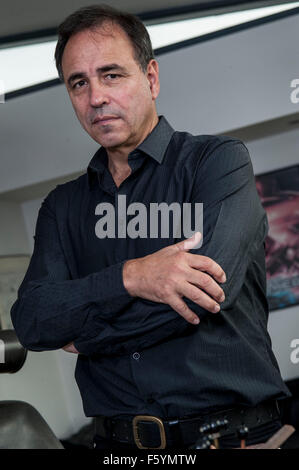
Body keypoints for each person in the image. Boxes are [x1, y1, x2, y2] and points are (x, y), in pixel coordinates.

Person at [11, 4, 291, 449]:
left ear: (151, 78)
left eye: (112, 75)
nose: (96, 97)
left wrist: (85, 332)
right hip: (117, 449)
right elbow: (32, 322)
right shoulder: (62, 208)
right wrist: (132, 278)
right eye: (78, 83)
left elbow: (205, 296)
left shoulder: (217, 163)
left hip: (234, 439)